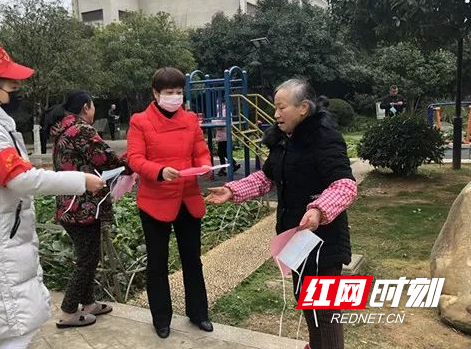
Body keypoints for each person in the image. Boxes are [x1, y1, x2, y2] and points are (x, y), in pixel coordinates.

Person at [0, 46, 105, 349]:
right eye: (12, 86)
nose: (18, 91)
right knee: (17, 327)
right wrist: (80, 180)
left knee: (18, 324)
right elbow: (19, 179)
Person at [206, 79, 358, 349]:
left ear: (303, 108)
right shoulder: (284, 141)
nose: (275, 114)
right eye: (275, 107)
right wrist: (232, 190)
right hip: (296, 239)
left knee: (326, 313)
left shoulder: (324, 138)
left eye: (281, 107)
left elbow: (345, 185)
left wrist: (318, 210)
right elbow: (267, 178)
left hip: (324, 242)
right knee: (308, 304)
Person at [127, 67, 214, 339]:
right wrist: (160, 171)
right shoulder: (140, 121)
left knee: (193, 260)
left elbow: (200, 151)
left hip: (188, 198)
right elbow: (135, 158)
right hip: (155, 201)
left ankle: (199, 313)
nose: (175, 97)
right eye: (169, 92)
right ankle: (161, 318)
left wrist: (205, 166)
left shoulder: (190, 119)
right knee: (157, 263)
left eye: (179, 92)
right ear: (156, 93)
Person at [42, 89, 130, 328]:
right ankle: (68, 311)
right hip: (83, 206)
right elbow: (106, 160)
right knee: (87, 259)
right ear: (85, 107)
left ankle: (89, 303)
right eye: (92, 106)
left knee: (88, 255)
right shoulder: (81, 130)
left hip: (69, 204)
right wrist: (133, 162)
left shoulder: (63, 131)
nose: (93, 111)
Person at [214, 100, 240, 177]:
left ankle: (224, 168)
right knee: (224, 152)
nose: (217, 105)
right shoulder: (223, 111)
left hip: (224, 135)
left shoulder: (224, 112)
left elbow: (221, 124)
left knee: (221, 153)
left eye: (218, 103)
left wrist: (214, 123)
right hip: (224, 135)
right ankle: (233, 164)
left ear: (222, 104)